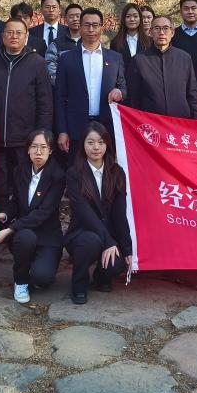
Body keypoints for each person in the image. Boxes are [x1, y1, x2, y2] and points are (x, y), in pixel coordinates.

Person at [0, 17, 54, 212]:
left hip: (25, 139)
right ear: (3, 36)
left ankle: (23, 220)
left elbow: (45, 102)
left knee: (23, 183)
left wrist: (41, 135)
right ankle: (1, 220)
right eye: (9, 32)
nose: (14, 36)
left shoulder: (37, 63)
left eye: (19, 33)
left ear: (26, 37)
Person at [0, 129, 66, 304]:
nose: (38, 152)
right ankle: (21, 281)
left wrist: (10, 229)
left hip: (48, 236)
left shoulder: (58, 176)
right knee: (25, 237)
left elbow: (43, 212)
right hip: (26, 233)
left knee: (43, 278)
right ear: (28, 150)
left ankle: (33, 266)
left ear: (50, 150)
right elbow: (16, 202)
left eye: (43, 147)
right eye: (34, 147)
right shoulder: (20, 170)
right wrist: (4, 215)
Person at [63, 122, 132, 304]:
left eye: (101, 142)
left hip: (108, 233)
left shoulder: (117, 172)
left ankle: (101, 277)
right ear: (83, 144)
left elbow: (120, 213)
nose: (96, 147)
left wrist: (127, 248)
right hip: (82, 232)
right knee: (91, 241)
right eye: (90, 142)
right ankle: (79, 285)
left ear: (107, 144)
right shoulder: (74, 173)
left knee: (118, 264)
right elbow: (84, 213)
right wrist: (108, 241)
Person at [54, 8, 127, 168]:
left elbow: (123, 87)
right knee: (76, 171)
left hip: (106, 126)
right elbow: (60, 98)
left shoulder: (115, 58)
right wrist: (62, 131)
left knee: (105, 171)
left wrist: (119, 92)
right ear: (80, 27)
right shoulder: (67, 58)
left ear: (102, 27)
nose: (91, 29)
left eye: (95, 25)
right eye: (87, 25)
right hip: (75, 127)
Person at [127, 15, 197, 118]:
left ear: (172, 32)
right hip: (151, 122)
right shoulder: (139, 60)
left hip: (181, 121)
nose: (161, 32)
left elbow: (193, 95)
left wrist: (196, 120)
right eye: (157, 28)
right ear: (150, 32)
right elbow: (134, 98)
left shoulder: (185, 58)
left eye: (166, 28)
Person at [46, 3, 83, 84]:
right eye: (71, 16)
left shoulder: (90, 42)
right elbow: (51, 70)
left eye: (78, 16)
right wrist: (63, 85)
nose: (75, 19)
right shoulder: (56, 44)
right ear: (65, 19)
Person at [109, 3, 150, 74]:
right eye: (128, 16)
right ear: (123, 19)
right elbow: (114, 68)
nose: (132, 19)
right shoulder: (115, 43)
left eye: (135, 16)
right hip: (124, 80)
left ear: (140, 18)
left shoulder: (150, 41)